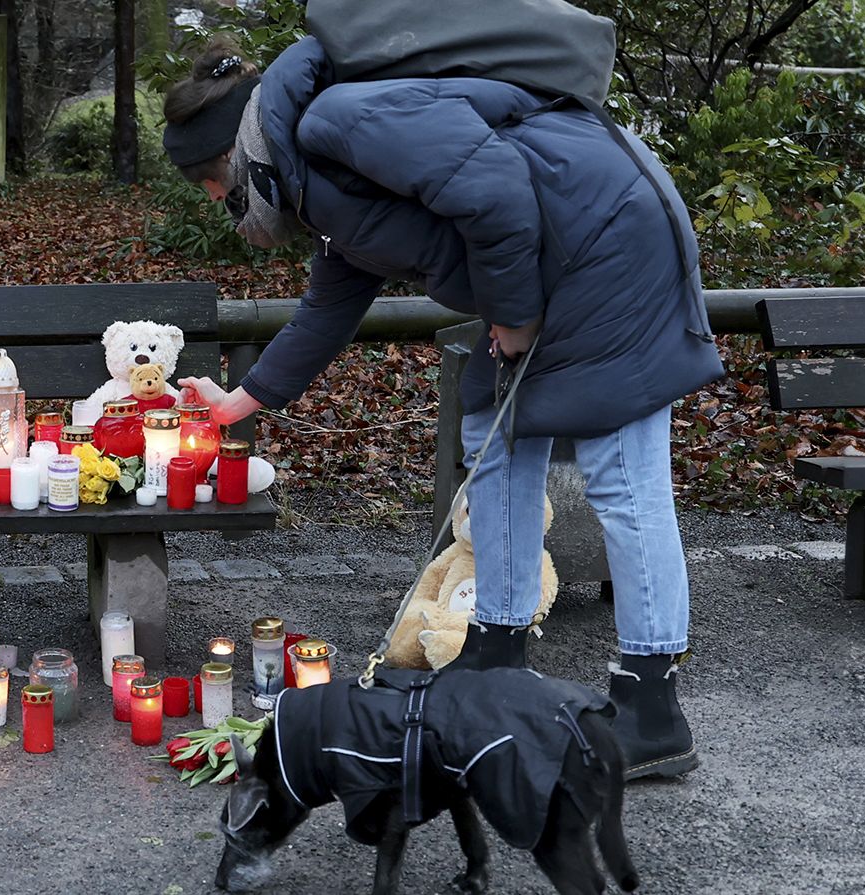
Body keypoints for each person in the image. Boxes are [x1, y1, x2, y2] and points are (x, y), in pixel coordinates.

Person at [165, 35, 724, 780]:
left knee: (622, 474)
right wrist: (239, 400)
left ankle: (652, 710)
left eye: (217, 195)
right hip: (543, 258)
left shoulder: (341, 123)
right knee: (492, 445)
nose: (227, 214)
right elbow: (331, 300)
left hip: (608, 239)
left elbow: (493, 188)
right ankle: (494, 662)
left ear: (233, 162)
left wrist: (515, 315)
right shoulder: (314, 175)